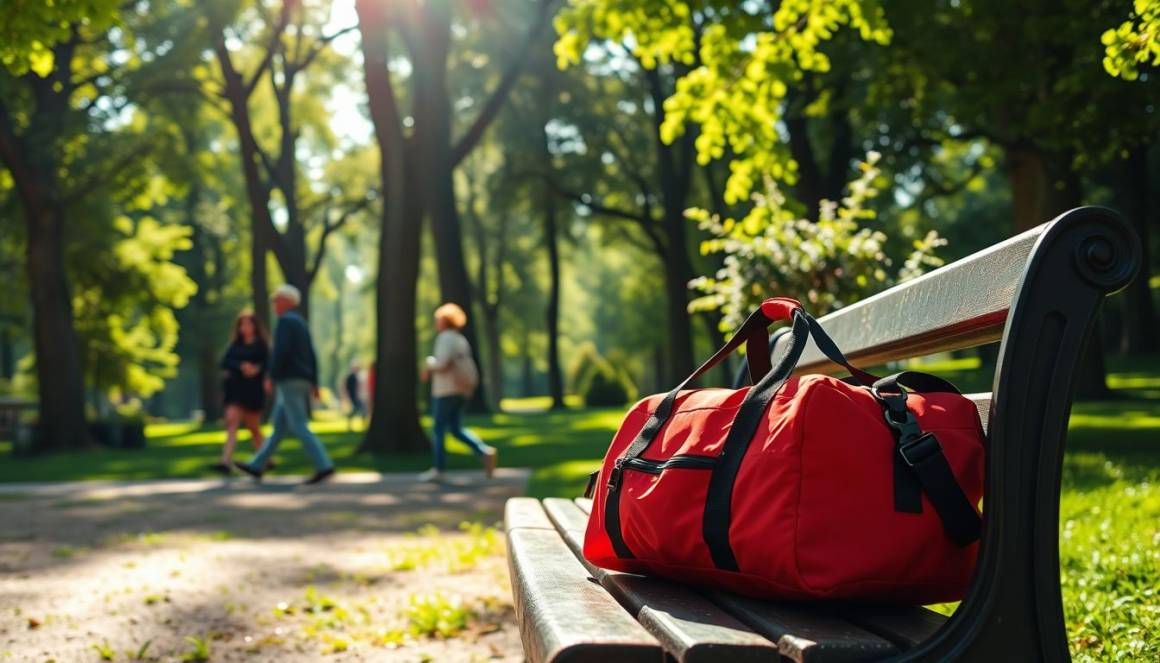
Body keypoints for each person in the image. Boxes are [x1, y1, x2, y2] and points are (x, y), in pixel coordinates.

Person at [235, 284, 335, 485]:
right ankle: (257, 465)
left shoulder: (285, 322)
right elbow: (311, 354)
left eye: (277, 299)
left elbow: (281, 352)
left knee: (298, 424)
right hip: (301, 378)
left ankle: (324, 465)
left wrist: (271, 375)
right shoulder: (299, 322)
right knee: (279, 426)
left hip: (289, 379)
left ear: (287, 301)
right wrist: (314, 381)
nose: (274, 303)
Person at [418, 303, 495, 482]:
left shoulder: (445, 338)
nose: (436, 323)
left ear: (444, 321)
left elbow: (442, 363)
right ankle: (483, 450)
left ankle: (439, 469)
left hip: (446, 390)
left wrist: (429, 363)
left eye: (438, 320)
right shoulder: (460, 339)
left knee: (438, 429)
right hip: (462, 389)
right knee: (455, 428)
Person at [212, 311, 268, 475]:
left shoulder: (261, 346)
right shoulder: (235, 345)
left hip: (253, 390)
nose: (245, 328)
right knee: (231, 422)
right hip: (235, 389)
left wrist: (256, 369)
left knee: (253, 428)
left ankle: (265, 459)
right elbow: (225, 363)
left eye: (248, 324)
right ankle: (226, 461)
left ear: (255, 326)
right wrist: (241, 366)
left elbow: (269, 364)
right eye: (242, 324)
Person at [343, 360, 366, 430]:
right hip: (354, 397)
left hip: (358, 396)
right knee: (359, 409)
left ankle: (362, 424)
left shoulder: (357, 376)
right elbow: (346, 387)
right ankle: (351, 421)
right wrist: (347, 396)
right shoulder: (351, 377)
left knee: (360, 409)